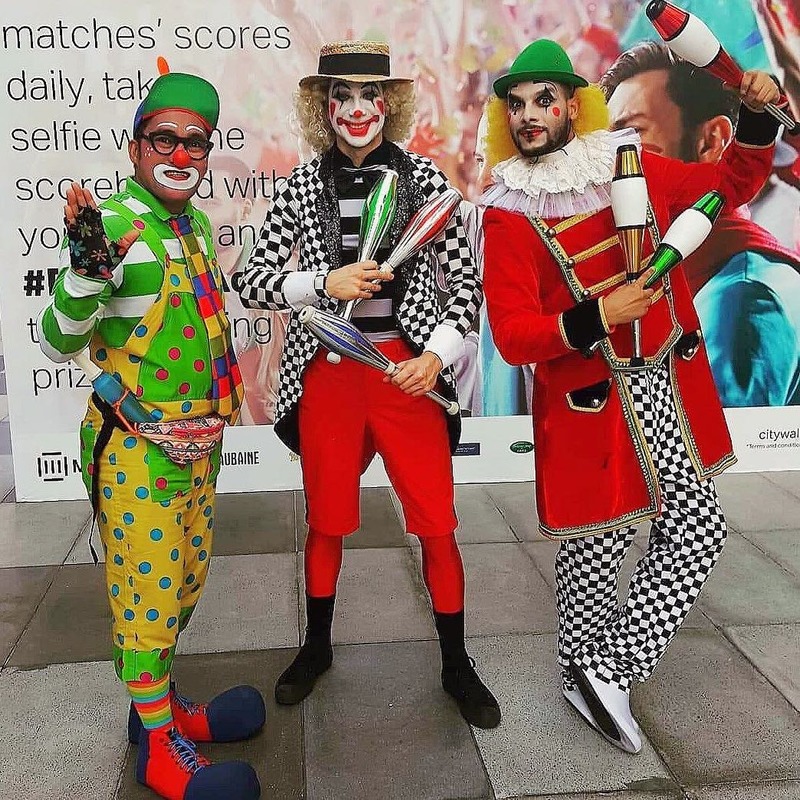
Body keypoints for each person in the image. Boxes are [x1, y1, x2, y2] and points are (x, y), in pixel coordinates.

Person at [480, 38, 783, 752]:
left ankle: (611, 665)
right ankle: (577, 672)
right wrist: (596, 316)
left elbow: (730, 184)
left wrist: (756, 117)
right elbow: (514, 336)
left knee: (698, 526)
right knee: (597, 542)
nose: (530, 116)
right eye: (517, 104)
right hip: (588, 399)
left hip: (662, 385)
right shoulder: (506, 212)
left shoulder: (628, 163)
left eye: (545, 100)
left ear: (572, 105)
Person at [236, 40, 500, 729]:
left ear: (390, 104)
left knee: (437, 525)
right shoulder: (301, 186)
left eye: (369, 94)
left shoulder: (426, 181)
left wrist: (437, 356)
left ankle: (456, 662)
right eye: (342, 96)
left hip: (407, 376)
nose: (356, 109)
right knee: (326, 521)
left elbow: (465, 283)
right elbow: (252, 282)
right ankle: (316, 646)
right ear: (323, 107)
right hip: (330, 378)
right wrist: (321, 283)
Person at [37, 65, 264, 800]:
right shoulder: (112, 227)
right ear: (136, 145)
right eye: (164, 138)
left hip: (195, 445)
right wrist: (84, 274)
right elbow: (56, 339)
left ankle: (156, 712)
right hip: (136, 450)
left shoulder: (193, 224)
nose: (181, 154)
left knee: (186, 578)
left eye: (196, 142)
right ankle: (160, 751)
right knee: (148, 596)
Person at [601, 42, 800, 406]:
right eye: (607, 142)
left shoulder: (740, 296)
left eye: (632, 134)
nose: (613, 160)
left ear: (712, 141)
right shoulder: (695, 277)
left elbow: (725, 439)